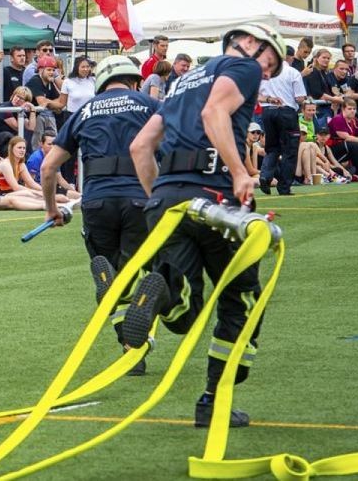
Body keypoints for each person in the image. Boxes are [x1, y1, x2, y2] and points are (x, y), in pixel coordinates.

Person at [128, 22, 286, 428]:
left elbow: (140, 145)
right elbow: (214, 112)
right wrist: (238, 171)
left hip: (167, 198)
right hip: (213, 195)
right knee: (243, 300)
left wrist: (158, 200)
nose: (265, 75)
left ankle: (165, 293)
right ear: (249, 43)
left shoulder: (183, 79)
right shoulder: (242, 67)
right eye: (269, 63)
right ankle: (214, 400)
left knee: (185, 313)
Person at [41, 55, 158, 374]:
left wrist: (53, 210)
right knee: (149, 268)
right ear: (134, 80)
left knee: (112, 278)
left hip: (95, 202)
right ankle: (144, 312)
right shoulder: (147, 104)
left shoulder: (84, 111)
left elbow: (48, 167)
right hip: (139, 200)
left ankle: (130, 349)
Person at [256, 58, 306, 195]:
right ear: (288, 58)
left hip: (267, 112)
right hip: (286, 112)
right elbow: (299, 97)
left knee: (272, 148)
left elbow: (256, 95)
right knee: (290, 151)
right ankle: (284, 186)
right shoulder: (292, 72)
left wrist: (268, 99)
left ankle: (265, 175)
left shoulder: (263, 72)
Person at [26, 54, 64, 147]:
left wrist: (49, 102)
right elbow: (42, 102)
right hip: (32, 118)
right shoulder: (35, 80)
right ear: (40, 70)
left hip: (44, 116)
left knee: (54, 143)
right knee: (37, 146)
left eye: (53, 70)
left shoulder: (49, 82)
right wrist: (52, 103)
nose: (52, 72)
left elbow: (61, 103)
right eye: (49, 70)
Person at [327, 98, 358, 175]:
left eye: (354, 109)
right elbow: (347, 137)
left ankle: (356, 172)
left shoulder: (355, 120)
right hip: (332, 149)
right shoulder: (338, 119)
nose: (352, 111)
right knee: (354, 145)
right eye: (349, 109)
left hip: (346, 148)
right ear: (343, 109)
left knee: (356, 145)